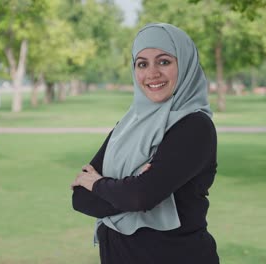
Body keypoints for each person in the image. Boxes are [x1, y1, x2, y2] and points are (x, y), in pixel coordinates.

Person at [71, 23, 219, 264]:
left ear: (185, 63)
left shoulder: (194, 126)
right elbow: (80, 198)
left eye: (164, 61)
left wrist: (100, 184)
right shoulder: (128, 125)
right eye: (142, 64)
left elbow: (140, 197)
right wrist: (129, 187)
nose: (152, 73)